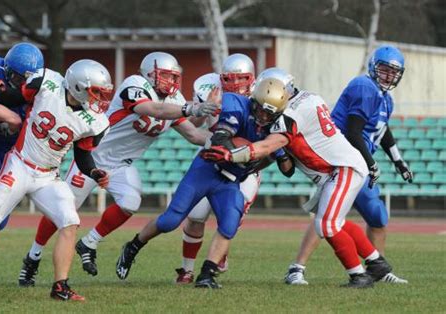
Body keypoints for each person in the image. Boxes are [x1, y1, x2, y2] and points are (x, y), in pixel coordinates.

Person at [18, 51, 219, 286]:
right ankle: (33, 257)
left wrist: (224, 139)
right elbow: (152, 110)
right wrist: (192, 109)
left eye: (174, 77)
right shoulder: (135, 85)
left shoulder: (176, 102)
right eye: (165, 76)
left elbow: (194, 134)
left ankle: (89, 242)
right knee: (63, 210)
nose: (171, 82)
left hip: (121, 166)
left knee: (130, 202)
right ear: (149, 74)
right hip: (92, 157)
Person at [204, 73, 398, 288]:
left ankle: (358, 275)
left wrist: (233, 156)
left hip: (342, 168)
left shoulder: (289, 117)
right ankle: (376, 262)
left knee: (326, 225)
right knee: (336, 222)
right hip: (335, 168)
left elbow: (268, 147)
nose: (263, 111)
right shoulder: (309, 98)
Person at [114, 77, 293, 289]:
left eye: (269, 114)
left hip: (231, 181)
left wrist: (276, 155)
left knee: (229, 223)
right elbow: (220, 138)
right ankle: (133, 246)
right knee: (170, 220)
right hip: (207, 168)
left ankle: (207, 274)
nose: (263, 117)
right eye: (261, 110)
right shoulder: (236, 103)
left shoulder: (280, 126)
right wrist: (241, 154)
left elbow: (287, 170)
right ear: (253, 101)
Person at [0, 59, 113, 301]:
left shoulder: (97, 122)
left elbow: (83, 156)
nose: (100, 99)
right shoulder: (46, 82)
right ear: (78, 87)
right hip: (19, 165)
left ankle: (61, 287)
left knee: (69, 223)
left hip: (48, 176)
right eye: (96, 92)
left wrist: (93, 172)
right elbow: (14, 98)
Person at [285, 45, 410, 285]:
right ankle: (297, 268)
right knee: (328, 217)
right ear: (374, 67)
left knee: (374, 216)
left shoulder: (386, 100)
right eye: (384, 70)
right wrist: (372, 164)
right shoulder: (364, 87)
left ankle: (378, 268)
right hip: (345, 160)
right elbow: (353, 131)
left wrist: (398, 161)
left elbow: (381, 132)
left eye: (393, 73)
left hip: (360, 163)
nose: (387, 76)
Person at [175, 53, 259, 284]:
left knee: (229, 219)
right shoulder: (207, 86)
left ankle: (215, 259)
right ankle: (186, 270)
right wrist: (205, 108)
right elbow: (194, 125)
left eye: (241, 78)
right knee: (195, 216)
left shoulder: (261, 94)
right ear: (220, 78)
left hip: (243, 166)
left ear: (251, 78)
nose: (235, 84)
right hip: (212, 160)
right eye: (229, 79)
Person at [0, 43, 43, 282]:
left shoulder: (42, 90)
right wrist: (5, 114)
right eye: (17, 77)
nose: (23, 84)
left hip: (5, 151)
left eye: (27, 79)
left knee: (0, 216)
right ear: (6, 68)